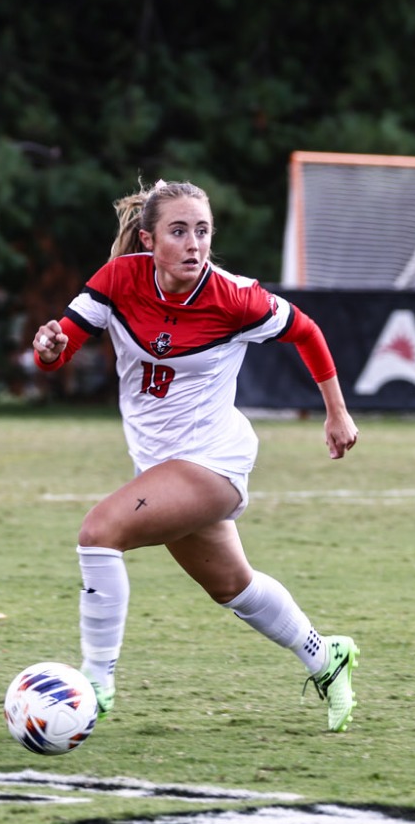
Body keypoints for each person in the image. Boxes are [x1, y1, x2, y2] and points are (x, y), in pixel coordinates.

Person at [31, 179, 363, 731]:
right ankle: (327, 657)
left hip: (214, 460)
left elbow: (306, 330)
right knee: (232, 586)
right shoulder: (119, 281)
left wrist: (337, 413)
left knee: (98, 533)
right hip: (160, 467)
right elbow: (59, 348)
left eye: (202, 231)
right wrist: (49, 347)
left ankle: (94, 684)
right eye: (179, 231)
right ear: (149, 240)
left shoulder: (234, 296)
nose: (194, 244)